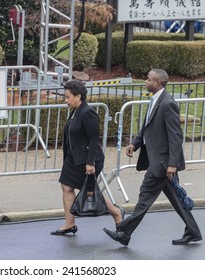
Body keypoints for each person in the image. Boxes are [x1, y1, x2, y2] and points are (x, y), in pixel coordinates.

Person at [103, 69, 202, 246]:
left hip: (163, 163)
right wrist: (135, 143)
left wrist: (172, 164)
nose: (145, 81)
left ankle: (124, 232)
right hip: (159, 161)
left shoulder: (167, 104)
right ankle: (193, 232)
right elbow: (147, 127)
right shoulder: (155, 100)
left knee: (144, 198)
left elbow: (175, 137)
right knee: (177, 199)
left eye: (149, 79)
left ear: (158, 83)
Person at [50, 80, 124, 236]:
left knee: (90, 192)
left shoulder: (87, 112)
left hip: (88, 159)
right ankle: (69, 223)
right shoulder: (76, 111)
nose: (66, 100)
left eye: (68, 97)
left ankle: (117, 213)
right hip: (74, 158)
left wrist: (90, 163)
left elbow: (93, 139)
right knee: (66, 187)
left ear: (78, 96)